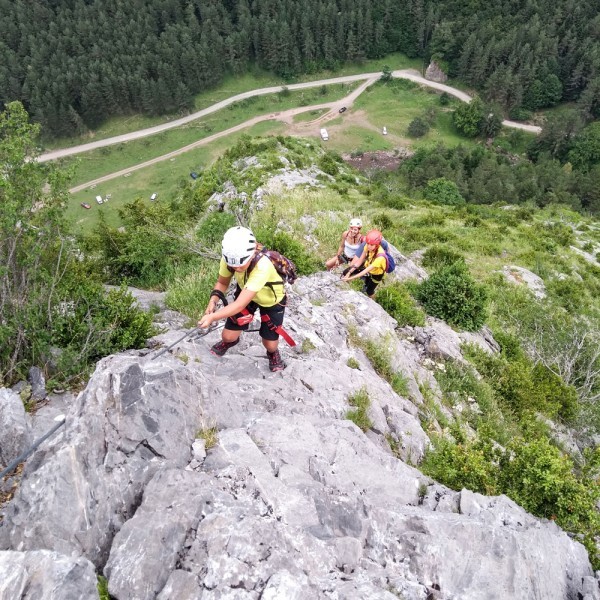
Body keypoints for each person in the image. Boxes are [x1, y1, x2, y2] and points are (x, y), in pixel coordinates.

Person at [197, 226, 287, 372]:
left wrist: (213, 317)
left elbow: (239, 305)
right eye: (233, 265)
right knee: (227, 337)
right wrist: (213, 301)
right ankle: (229, 342)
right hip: (246, 291)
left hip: (271, 300)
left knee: (270, 344)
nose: (236, 268)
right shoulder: (229, 259)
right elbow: (222, 283)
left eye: (240, 264)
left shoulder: (263, 265)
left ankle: (272, 353)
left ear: (251, 255)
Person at [341, 229, 386, 298]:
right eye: (368, 243)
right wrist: (349, 273)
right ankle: (348, 291)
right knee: (345, 272)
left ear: (377, 245)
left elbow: (365, 271)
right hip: (368, 265)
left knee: (369, 291)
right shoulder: (367, 247)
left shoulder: (381, 257)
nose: (369, 246)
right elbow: (359, 261)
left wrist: (350, 278)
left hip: (377, 274)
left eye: (372, 245)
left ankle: (373, 302)